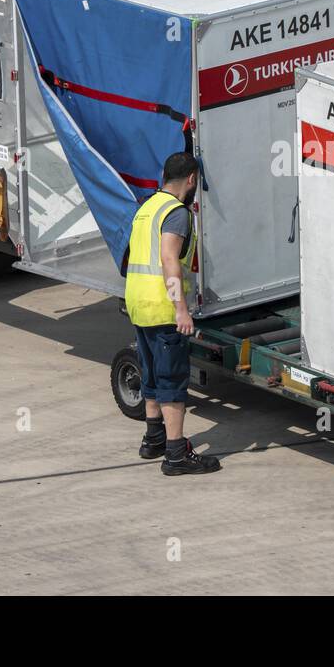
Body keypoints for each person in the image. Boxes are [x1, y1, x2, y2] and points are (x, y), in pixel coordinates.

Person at [124, 151, 221, 475]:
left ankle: (153, 440)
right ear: (191, 179)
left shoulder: (147, 207)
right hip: (162, 307)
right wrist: (181, 309)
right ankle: (176, 454)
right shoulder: (177, 213)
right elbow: (169, 260)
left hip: (139, 303)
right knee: (172, 382)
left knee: (151, 376)